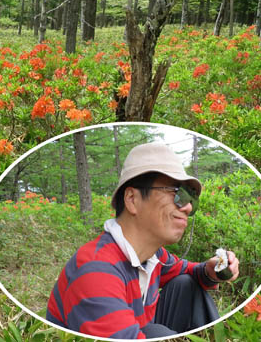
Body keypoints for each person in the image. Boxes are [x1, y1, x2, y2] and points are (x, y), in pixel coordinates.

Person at [46, 142, 239, 339]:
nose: (188, 208)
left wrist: (212, 269)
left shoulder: (153, 255)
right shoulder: (96, 270)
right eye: (176, 193)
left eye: (191, 199)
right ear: (132, 199)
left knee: (185, 284)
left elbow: (189, 271)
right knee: (156, 332)